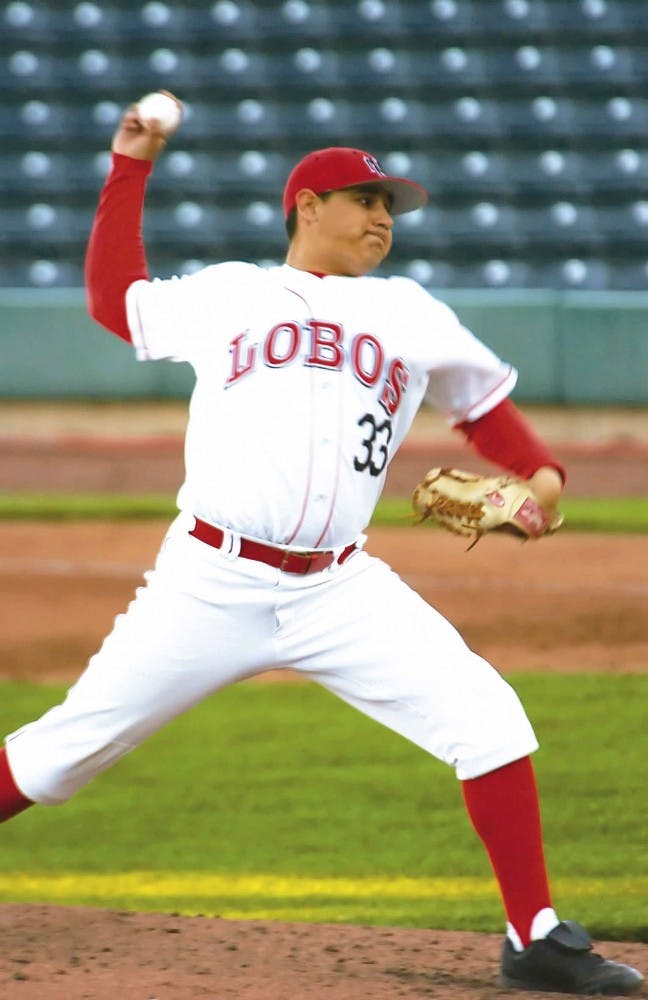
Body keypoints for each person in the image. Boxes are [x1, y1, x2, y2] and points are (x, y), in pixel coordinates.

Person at [0, 94, 642, 996]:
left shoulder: (410, 312)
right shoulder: (235, 292)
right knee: (59, 754)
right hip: (211, 579)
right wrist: (131, 161)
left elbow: (490, 415)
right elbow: (116, 301)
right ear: (306, 207)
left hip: (339, 589)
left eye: (390, 207)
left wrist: (542, 490)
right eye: (363, 200)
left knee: (489, 717)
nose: (383, 217)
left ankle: (532, 934)